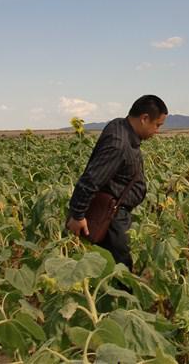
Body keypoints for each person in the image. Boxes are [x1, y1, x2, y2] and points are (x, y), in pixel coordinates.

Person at [66, 95, 168, 271]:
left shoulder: (120, 126)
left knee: (113, 265)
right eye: (157, 125)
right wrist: (77, 215)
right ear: (144, 119)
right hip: (111, 216)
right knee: (120, 267)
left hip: (115, 211)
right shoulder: (118, 143)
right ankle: (123, 298)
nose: (157, 131)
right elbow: (92, 179)